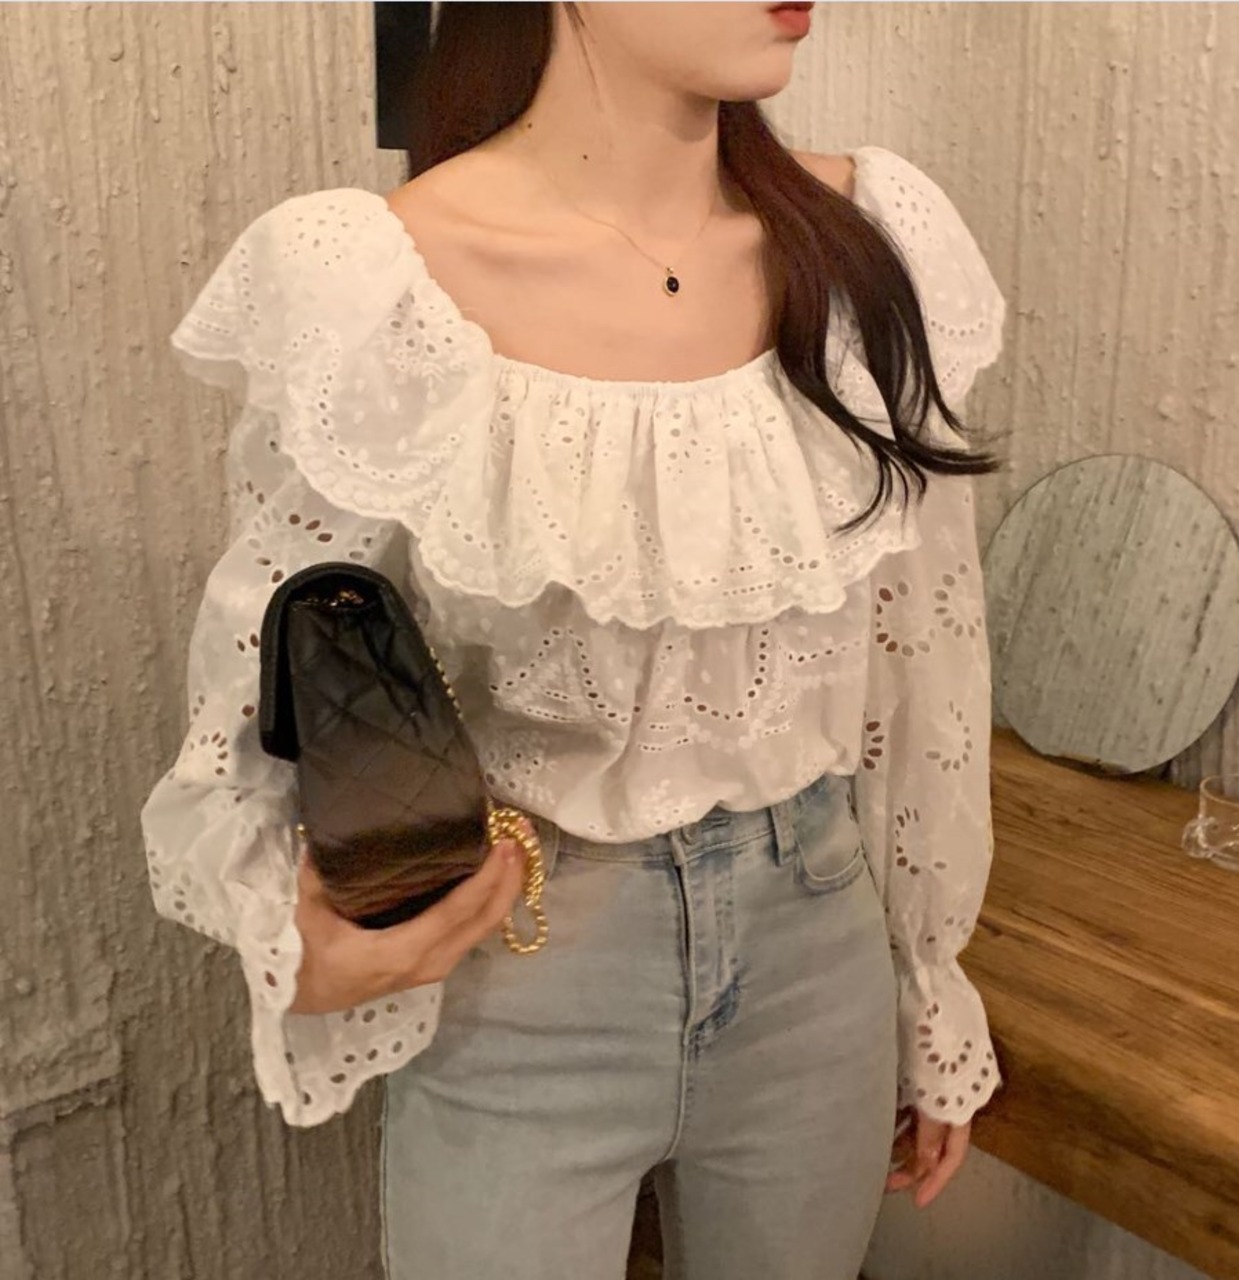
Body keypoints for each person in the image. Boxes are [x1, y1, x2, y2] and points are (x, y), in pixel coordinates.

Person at [141, 3, 1007, 1276]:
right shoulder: (376, 282)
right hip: (524, 965)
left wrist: (929, 980)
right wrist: (290, 924)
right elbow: (262, 684)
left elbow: (928, 652)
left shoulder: (872, 241)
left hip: (816, 949)